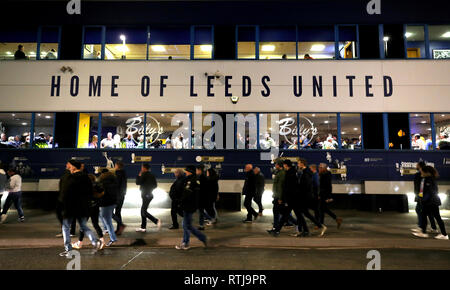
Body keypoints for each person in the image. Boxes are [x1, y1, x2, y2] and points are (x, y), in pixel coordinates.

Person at [59, 160, 101, 257]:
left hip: (70, 206)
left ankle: (68, 249)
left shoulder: (70, 178)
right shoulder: (86, 177)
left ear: (73, 167)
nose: (68, 167)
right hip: (83, 206)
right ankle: (95, 241)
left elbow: (66, 192)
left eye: (70, 166)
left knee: (65, 227)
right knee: (83, 225)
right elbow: (90, 192)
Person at [268, 160, 309, 237]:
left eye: (284, 165)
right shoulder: (292, 172)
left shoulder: (290, 173)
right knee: (286, 214)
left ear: (286, 165)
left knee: (294, 215)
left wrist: (283, 198)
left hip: (292, 198)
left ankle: (305, 230)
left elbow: (287, 187)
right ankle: (277, 230)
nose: (283, 166)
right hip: (293, 197)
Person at [175, 165, 207, 250]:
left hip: (188, 205)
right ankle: (186, 242)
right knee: (186, 225)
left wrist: (179, 202)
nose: (185, 172)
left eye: (187, 171)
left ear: (190, 171)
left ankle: (187, 243)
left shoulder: (191, 180)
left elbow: (186, 193)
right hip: (191, 205)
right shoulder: (194, 179)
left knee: (187, 225)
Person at [412, 166, 448, 240]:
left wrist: (423, 200)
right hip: (429, 202)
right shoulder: (426, 179)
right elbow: (423, 191)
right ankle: (424, 232)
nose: (420, 172)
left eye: (422, 171)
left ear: (427, 172)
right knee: (425, 216)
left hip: (431, 202)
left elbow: (430, 192)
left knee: (436, 217)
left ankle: (443, 234)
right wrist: (420, 197)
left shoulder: (429, 180)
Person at [72, 174, 105, 250]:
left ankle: (79, 243)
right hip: (95, 207)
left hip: (86, 208)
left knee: (83, 225)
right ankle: (102, 241)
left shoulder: (84, 186)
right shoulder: (97, 185)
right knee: (96, 224)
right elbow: (102, 193)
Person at [297, 159, 327, 236]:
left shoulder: (306, 173)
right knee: (305, 213)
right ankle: (307, 230)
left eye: (299, 163)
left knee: (302, 213)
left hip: (305, 196)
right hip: (306, 196)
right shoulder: (305, 172)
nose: (297, 165)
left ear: (302, 164)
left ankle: (309, 229)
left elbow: (307, 185)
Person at [412, 161, 437, 233]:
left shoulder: (421, 175)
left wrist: (420, 197)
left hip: (423, 197)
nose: (416, 166)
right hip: (423, 196)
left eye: (417, 165)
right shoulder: (425, 176)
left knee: (420, 211)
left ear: (420, 166)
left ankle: (422, 228)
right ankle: (432, 227)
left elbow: (422, 188)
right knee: (429, 213)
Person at [135, 164, 161, 232]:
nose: (141, 169)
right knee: (143, 211)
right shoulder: (152, 175)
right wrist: (149, 189)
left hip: (145, 195)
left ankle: (156, 221)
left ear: (144, 168)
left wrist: (138, 176)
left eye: (142, 167)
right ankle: (143, 227)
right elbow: (155, 185)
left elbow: (138, 183)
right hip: (150, 194)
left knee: (143, 211)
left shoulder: (143, 174)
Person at [98, 169, 119, 246]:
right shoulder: (114, 183)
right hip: (113, 203)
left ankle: (113, 238)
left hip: (105, 204)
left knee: (108, 221)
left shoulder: (102, 184)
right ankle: (108, 232)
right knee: (104, 217)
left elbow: (100, 194)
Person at [55, 162, 77, 237]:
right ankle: (67, 230)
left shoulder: (70, 174)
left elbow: (67, 187)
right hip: (63, 197)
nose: (66, 165)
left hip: (67, 198)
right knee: (62, 213)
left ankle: (68, 231)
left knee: (68, 214)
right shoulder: (66, 174)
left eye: (68, 164)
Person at [268, 160, 285, 233]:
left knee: (280, 212)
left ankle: (297, 222)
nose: (275, 166)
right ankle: (275, 227)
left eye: (276, 165)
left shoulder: (281, 174)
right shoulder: (278, 172)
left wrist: (280, 198)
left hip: (278, 197)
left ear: (279, 165)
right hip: (277, 196)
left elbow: (280, 186)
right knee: (279, 212)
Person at [113, 161, 127, 235]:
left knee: (110, 212)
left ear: (117, 166)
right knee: (117, 212)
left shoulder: (118, 174)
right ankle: (119, 229)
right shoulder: (123, 173)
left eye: (115, 165)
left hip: (117, 196)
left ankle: (120, 225)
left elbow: (116, 185)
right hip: (121, 195)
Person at [196, 165, 208, 230]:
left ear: (200, 170)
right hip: (200, 197)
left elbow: (202, 188)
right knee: (201, 211)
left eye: (197, 170)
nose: (196, 171)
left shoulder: (202, 177)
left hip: (201, 197)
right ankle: (201, 225)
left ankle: (202, 225)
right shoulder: (201, 177)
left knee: (201, 212)